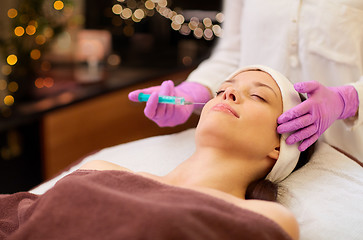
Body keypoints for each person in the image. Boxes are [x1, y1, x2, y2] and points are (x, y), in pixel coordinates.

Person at [1, 66, 309, 239]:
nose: (228, 93)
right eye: (220, 90)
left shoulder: (267, 217)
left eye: (257, 95)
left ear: (279, 146)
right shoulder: (103, 169)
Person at [129, 0, 363, 162]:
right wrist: (193, 92)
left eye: (259, 96)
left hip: (347, 148)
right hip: (258, 151)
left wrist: (347, 100)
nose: (230, 95)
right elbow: (233, 55)